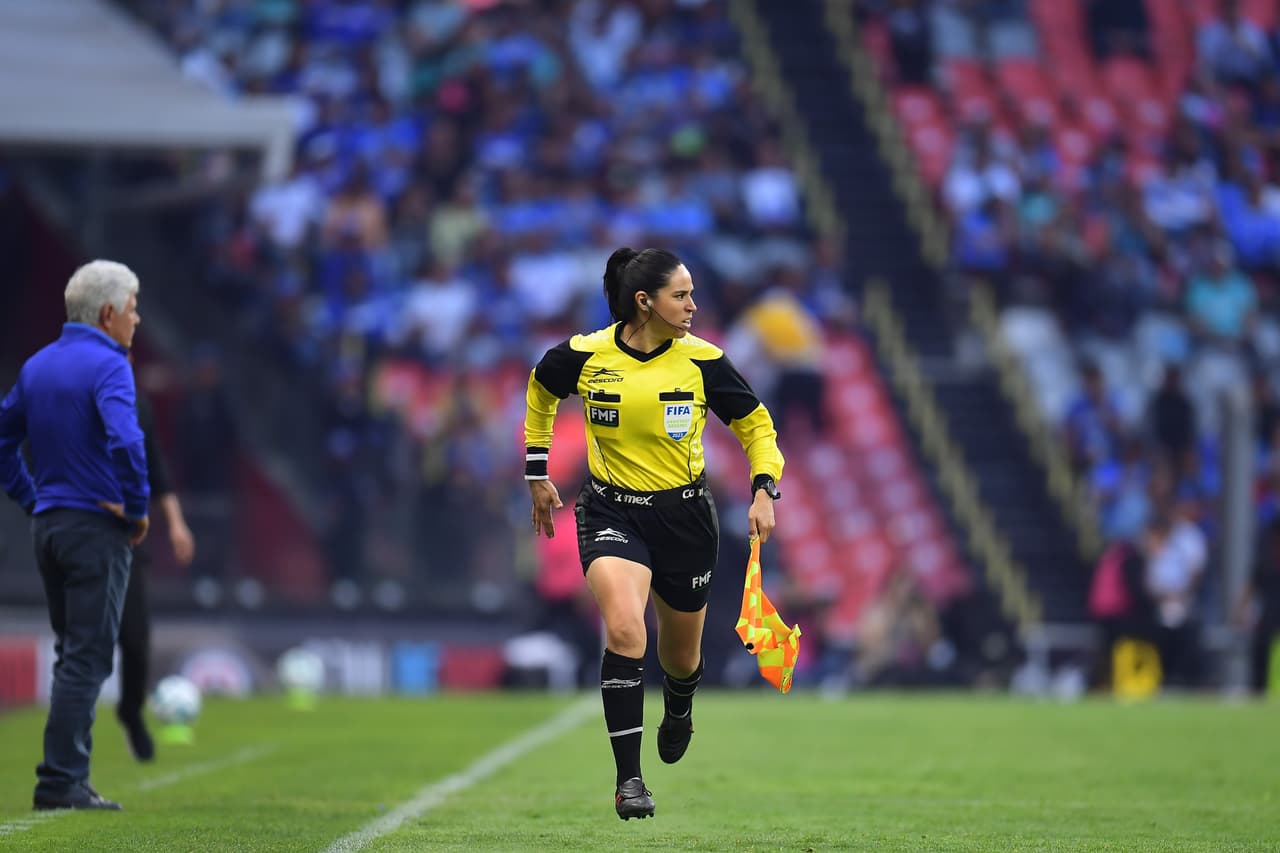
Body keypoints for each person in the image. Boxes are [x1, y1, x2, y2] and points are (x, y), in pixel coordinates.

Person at [524, 247, 784, 820]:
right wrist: (536, 470)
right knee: (623, 629)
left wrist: (765, 488)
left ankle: (681, 704)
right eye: (681, 295)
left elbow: (756, 425)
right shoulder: (584, 356)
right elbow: (541, 388)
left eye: (692, 294)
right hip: (612, 512)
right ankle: (629, 781)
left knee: (681, 657)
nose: (693, 305)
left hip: (686, 520)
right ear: (645, 302)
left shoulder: (705, 361)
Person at [0, 260, 149, 811]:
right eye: (133, 308)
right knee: (87, 657)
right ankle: (61, 781)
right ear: (108, 314)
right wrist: (136, 508)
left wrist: (30, 494)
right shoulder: (111, 366)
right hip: (93, 529)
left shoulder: (37, 366)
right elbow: (127, 441)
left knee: (73, 654)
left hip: (49, 528)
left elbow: (1, 436)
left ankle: (64, 776)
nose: (138, 319)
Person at [117, 355, 197, 762]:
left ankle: (131, 710)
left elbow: (156, 469)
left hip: (129, 541)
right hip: (82, 534)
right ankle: (67, 755)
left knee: (135, 639)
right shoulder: (80, 400)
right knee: (83, 646)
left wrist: (177, 523)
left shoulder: (137, 405)